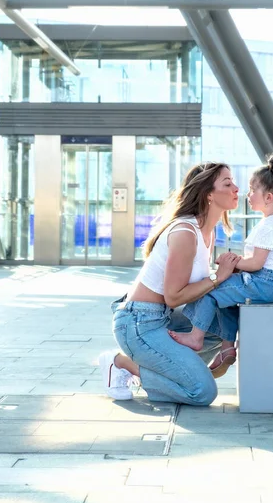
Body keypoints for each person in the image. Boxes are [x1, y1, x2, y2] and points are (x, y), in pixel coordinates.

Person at [98, 162, 240, 405]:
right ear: (208, 194)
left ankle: (173, 370)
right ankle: (121, 363)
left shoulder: (208, 232)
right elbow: (173, 297)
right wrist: (218, 277)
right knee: (203, 392)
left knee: (220, 326)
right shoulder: (185, 232)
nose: (236, 188)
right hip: (139, 324)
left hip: (164, 318)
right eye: (227, 184)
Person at [169, 150, 273, 378]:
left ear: (268, 197)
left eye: (252, 190)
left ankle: (196, 336)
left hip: (261, 281)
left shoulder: (268, 226)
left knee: (212, 290)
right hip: (268, 283)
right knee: (225, 301)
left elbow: (257, 263)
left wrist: (232, 263)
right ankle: (227, 347)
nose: (247, 194)